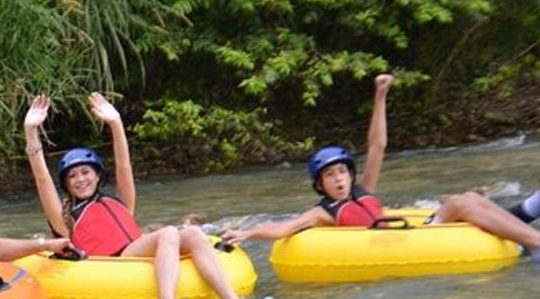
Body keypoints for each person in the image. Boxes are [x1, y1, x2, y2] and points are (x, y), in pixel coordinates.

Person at [222, 73, 540, 253]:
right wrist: (249, 234)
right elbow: (285, 228)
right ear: (320, 184)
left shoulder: (364, 189)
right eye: (330, 176)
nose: (339, 179)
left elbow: (377, 145)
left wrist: (380, 97)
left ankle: (527, 230)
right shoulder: (322, 213)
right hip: (405, 244)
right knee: (462, 202)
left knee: (469, 198)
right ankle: (535, 241)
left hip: (416, 235)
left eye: (342, 172)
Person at [24, 92, 262, 299]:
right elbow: (43, 180)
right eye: (73, 176)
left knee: (193, 233)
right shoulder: (65, 217)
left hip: (134, 252)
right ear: (66, 184)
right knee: (169, 232)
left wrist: (116, 124)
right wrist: (31, 132)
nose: (80, 180)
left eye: (86, 172)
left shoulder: (120, 203)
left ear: (97, 176)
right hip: (111, 264)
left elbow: (124, 165)